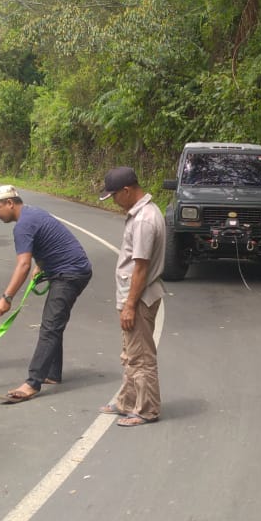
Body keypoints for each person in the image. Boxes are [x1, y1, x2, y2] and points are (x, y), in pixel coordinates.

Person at [0, 185, 93, 404]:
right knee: (55, 321)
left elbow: (23, 264)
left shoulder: (22, 225)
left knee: (50, 325)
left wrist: (7, 298)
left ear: (10, 203)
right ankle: (52, 373)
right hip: (73, 269)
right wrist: (41, 265)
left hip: (70, 273)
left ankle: (33, 383)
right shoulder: (33, 213)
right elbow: (47, 243)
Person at [96, 167, 165, 427]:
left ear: (127, 191)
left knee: (141, 356)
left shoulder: (144, 219)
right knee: (130, 353)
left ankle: (147, 409)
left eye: (114, 196)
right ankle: (127, 401)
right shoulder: (141, 214)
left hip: (140, 297)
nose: (114, 201)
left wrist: (129, 306)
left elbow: (141, 267)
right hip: (135, 295)